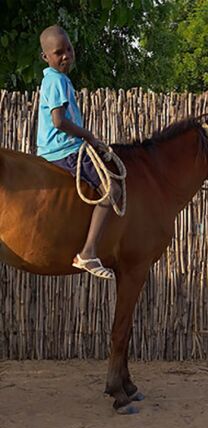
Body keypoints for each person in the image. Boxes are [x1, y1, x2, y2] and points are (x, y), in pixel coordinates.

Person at [37, 25, 120, 280]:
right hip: (65, 149)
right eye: (58, 52)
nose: (66, 56)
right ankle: (88, 251)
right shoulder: (58, 80)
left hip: (60, 148)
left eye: (69, 49)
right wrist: (89, 137)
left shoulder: (53, 79)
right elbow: (59, 121)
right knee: (112, 189)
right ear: (46, 57)